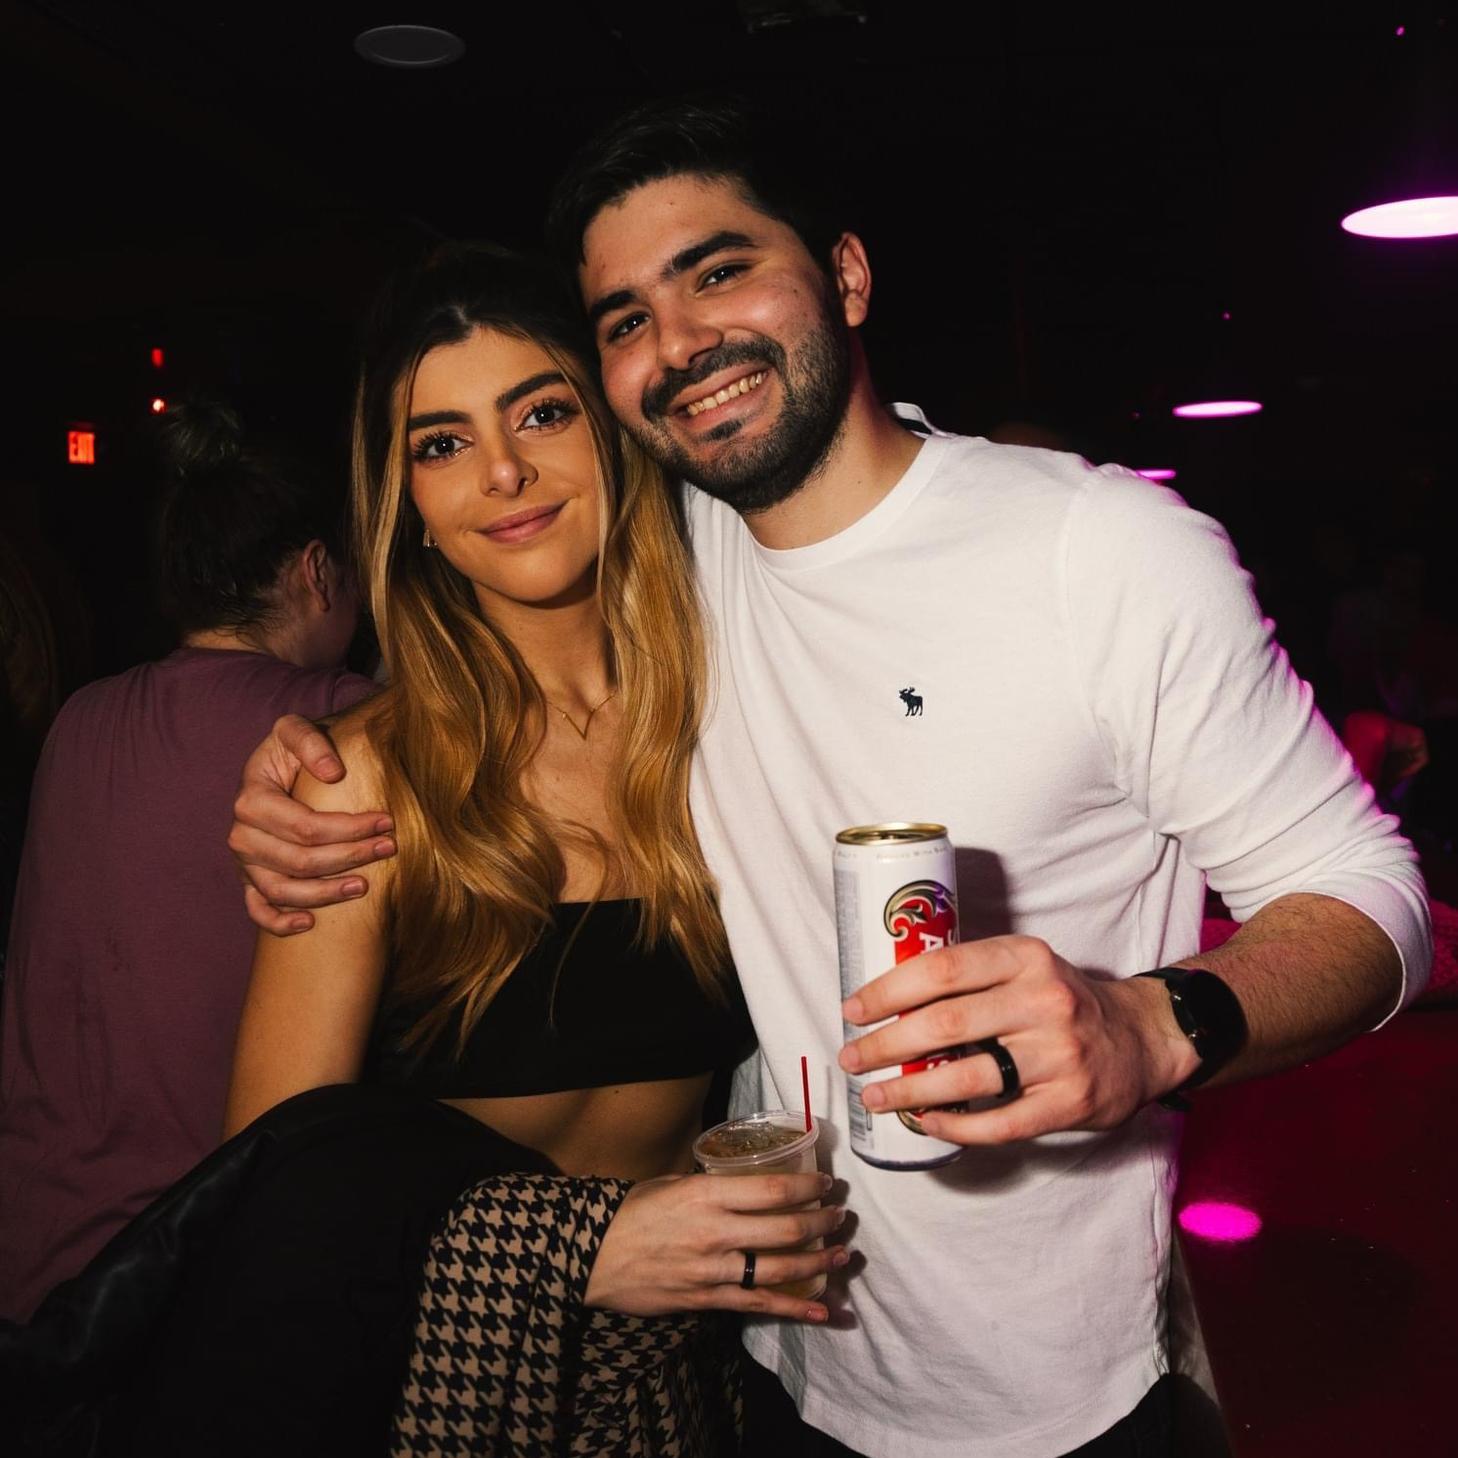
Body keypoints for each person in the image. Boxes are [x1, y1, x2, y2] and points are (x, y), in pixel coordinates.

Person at [227, 101, 1431, 1458]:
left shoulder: (1098, 553)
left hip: (1041, 1403)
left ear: (846, 275)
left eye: (718, 270)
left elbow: (1370, 890)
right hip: (764, 1367)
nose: (682, 342)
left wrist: (1153, 1025)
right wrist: (308, 745)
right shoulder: (677, 570)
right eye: (625, 319)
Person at [116, 245, 844, 1458]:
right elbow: (274, 1185)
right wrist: (580, 1250)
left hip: (688, 1385)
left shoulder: (728, 722)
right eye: (442, 443)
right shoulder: (362, 780)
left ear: (616, 434)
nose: (503, 472)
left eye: (543, 413)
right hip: (448, 1386)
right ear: (409, 505)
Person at [0, 402, 373, 1324]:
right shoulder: (342, 722)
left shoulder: (80, 720)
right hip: (192, 1276)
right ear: (318, 570)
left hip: (34, 1253)